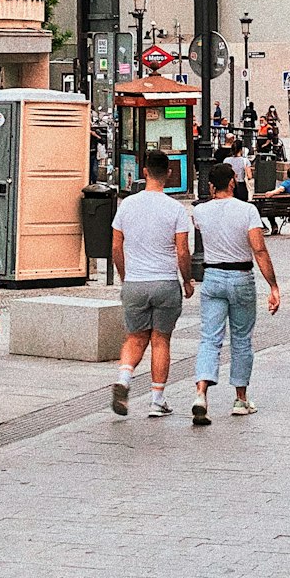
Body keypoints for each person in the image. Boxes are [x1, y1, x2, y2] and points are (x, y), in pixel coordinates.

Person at [191, 164, 281, 423]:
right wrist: (273, 286)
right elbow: (259, 250)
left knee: (209, 338)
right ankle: (241, 399)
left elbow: (200, 225)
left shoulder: (200, 212)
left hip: (213, 277)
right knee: (241, 339)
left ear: (210, 186)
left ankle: (201, 393)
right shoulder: (247, 211)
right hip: (241, 276)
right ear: (233, 182)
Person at [110, 150, 193, 418]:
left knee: (135, 337)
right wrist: (187, 280)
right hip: (165, 282)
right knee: (160, 340)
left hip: (135, 281)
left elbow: (116, 246)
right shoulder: (175, 209)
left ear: (144, 172)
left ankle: (124, 379)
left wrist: (125, 277)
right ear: (168, 174)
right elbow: (182, 251)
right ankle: (157, 399)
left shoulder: (127, 205)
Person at [256, 170, 290, 235]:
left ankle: (272, 225)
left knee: (268, 209)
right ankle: (274, 226)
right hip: (288, 209)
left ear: (287, 175)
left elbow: (281, 189)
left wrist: (271, 193)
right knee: (270, 208)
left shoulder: (287, 183)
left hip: (277, 208)